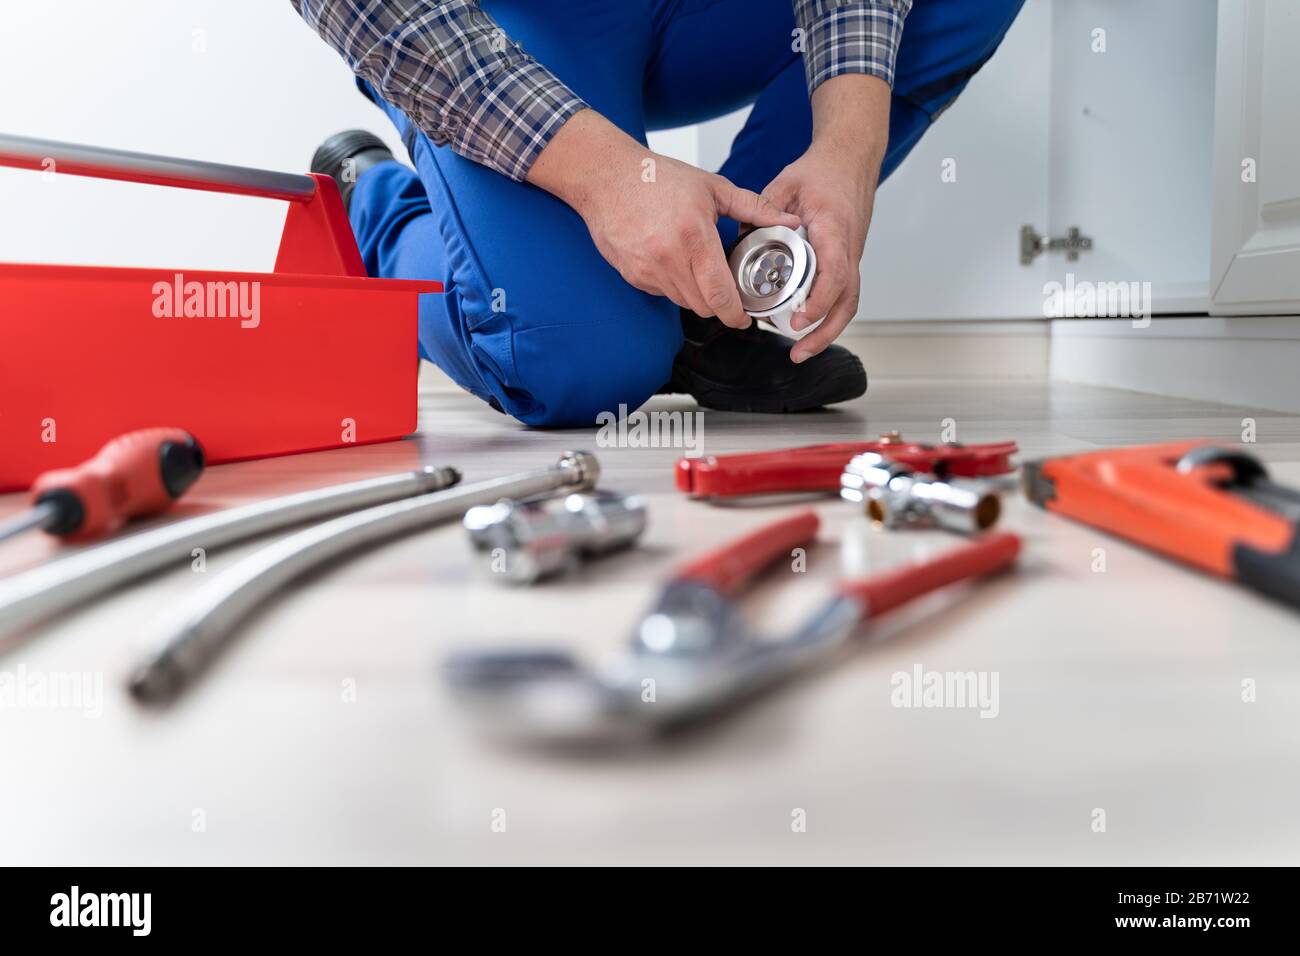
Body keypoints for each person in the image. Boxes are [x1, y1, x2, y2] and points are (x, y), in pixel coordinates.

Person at [292, 0, 1025, 427]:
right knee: (574, 362)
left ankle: (713, 301)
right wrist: (608, 179)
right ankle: (377, 212)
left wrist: (848, 144)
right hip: (490, 29)